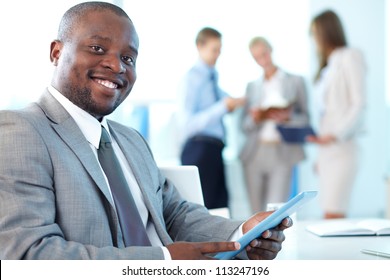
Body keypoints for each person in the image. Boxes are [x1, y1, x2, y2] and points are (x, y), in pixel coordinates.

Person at [0, 2, 291, 260]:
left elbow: (175, 215)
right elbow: (27, 253)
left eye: (128, 58)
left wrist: (242, 233)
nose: (116, 65)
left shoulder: (131, 140)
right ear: (56, 52)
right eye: (97, 48)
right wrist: (162, 261)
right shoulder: (20, 131)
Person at [307, 10, 366, 219]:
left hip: (343, 148)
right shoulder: (326, 67)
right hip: (326, 151)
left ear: (327, 32)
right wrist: (319, 156)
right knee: (329, 211)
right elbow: (325, 114)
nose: (313, 40)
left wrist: (335, 134)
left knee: (333, 212)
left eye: (315, 33)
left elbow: (359, 105)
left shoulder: (350, 56)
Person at [240, 37, 309, 213]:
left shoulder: (295, 81)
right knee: (255, 213)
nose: (262, 60)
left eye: (264, 54)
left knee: (275, 211)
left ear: (271, 50)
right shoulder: (252, 87)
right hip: (255, 153)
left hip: (282, 152)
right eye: (257, 57)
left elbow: (306, 118)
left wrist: (288, 117)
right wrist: (256, 118)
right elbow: (243, 125)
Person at [179, 27, 244, 210]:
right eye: (214, 50)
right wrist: (223, 107)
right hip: (199, 150)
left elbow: (224, 101)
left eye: (220, 50)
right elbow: (187, 124)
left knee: (220, 208)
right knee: (202, 209)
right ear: (200, 46)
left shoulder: (213, 80)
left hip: (215, 150)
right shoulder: (191, 79)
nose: (218, 55)